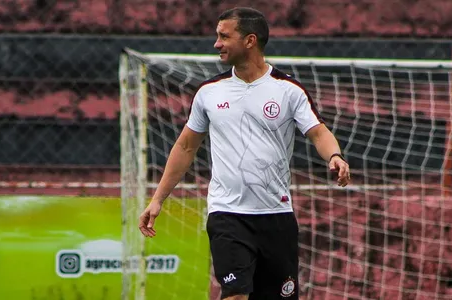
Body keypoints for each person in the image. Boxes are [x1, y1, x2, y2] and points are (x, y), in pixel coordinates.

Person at [139, 7, 351, 300]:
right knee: (235, 294)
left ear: (250, 40)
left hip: (276, 216)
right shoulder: (210, 92)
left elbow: (318, 132)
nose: (216, 44)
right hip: (227, 214)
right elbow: (186, 146)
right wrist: (157, 199)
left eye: (224, 36)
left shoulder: (289, 90)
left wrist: (334, 156)